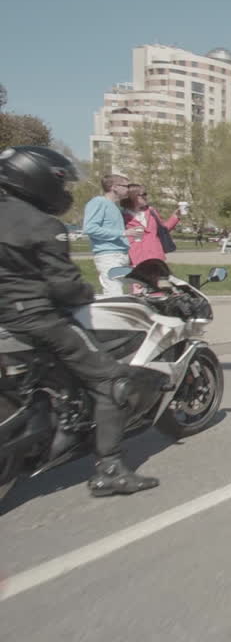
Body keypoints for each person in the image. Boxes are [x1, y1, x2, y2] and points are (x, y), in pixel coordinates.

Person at [0, 146, 158, 496]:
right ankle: (110, 468)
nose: (65, 191)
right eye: (60, 182)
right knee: (111, 380)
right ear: (38, 179)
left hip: (8, 321)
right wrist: (85, 293)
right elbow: (65, 287)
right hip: (37, 319)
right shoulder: (42, 225)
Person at [82, 172, 134, 296]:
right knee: (114, 292)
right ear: (114, 187)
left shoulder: (115, 207)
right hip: (109, 256)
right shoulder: (98, 202)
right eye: (126, 186)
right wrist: (123, 233)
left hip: (121, 255)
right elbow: (90, 228)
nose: (128, 189)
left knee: (120, 293)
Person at [122, 184, 181, 266]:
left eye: (146, 194)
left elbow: (163, 230)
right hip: (135, 256)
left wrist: (175, 217)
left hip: (156, 255)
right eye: (143, 194)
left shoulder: (151, 211)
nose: (146, 197)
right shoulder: (122, 215)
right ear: (133, 196)